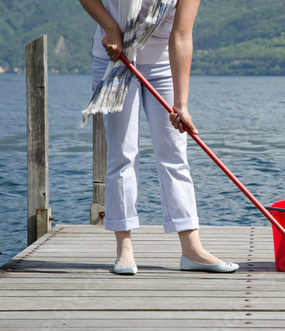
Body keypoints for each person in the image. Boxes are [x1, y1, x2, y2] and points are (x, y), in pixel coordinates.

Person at [79, 0, 239, 274]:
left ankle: (191, 249)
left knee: (174, 154)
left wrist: (182, 104)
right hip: (116, 57)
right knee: (123, 154)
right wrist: (110, 27)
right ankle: (124, 249)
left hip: (164, 64)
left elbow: (181, 35)